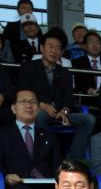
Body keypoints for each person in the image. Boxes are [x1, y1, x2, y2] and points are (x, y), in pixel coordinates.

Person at [17, 30, 95, 159]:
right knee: (41, 116)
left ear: (61, 52)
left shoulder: (65, 73)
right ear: (42, 48)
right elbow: (22, 90)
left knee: (89, 119)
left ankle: (73, 159)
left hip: (60, 113)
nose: (54, 51)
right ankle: (46, 156)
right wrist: (40, 104)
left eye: (58, 48)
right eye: (51, 47)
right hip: (37, 110)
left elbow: (69, 97)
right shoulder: (29, 67)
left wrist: (65, 110)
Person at [72, 31, 101, 111]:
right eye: (91, 41)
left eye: (97, 42)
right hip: (86, 101)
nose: (95, 45)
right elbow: (75, 83)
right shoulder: (76, 63)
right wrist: (87, 90)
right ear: (85, 46)